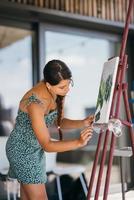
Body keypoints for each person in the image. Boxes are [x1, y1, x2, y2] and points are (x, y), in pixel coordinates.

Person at [6, 60, 94, 200]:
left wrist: (82, 122)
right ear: (48, 85)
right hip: (22, 151)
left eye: (69, 83)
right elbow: (47, 145)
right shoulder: (34, 104)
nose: (66, 90)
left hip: (35, 150)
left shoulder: (55, 92)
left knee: (28, 197)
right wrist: (78, 142)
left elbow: (57, 121)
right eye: (62, 87)